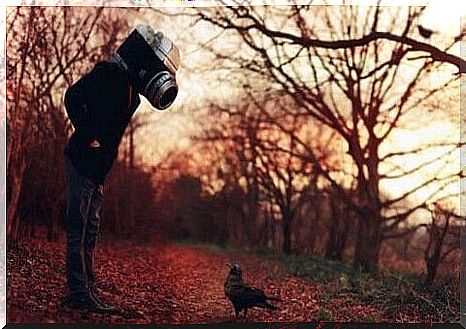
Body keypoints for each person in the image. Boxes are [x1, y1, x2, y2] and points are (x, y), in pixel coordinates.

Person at [63, 25, 180, 312]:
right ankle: (78, 294)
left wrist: (103, 166)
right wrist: (90, 137)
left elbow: (112, 134)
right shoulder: (106, 73)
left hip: (97, 171)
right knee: (77, 229)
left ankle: (86, 287)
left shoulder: (133, 95)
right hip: (80, 160)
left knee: (90, 231)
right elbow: (72, 97)